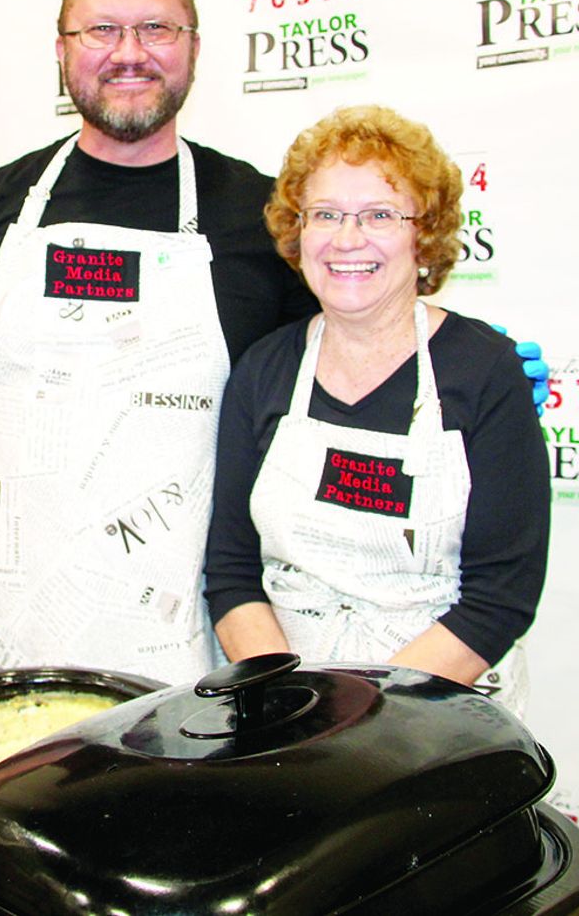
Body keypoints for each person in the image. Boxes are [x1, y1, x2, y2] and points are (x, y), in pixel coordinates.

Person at [0, 0, 547, 687]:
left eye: (157, 29)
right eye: (101, 31)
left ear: (193, 48)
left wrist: (468, 368)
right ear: (62, 50)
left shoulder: (259, 220)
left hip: (176, 652)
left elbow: (360, 308)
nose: (130, 53)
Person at [203, 105, 550, 714]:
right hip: (286, 711)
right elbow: (232, 571)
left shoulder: (484, 370)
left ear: (425, 235)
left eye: (380, 215)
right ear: (297, 230)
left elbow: (501, 597)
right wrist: (289, 706)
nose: (346, 239)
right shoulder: (264, 370)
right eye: (326, 214)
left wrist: (362, 721)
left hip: (439, 718)